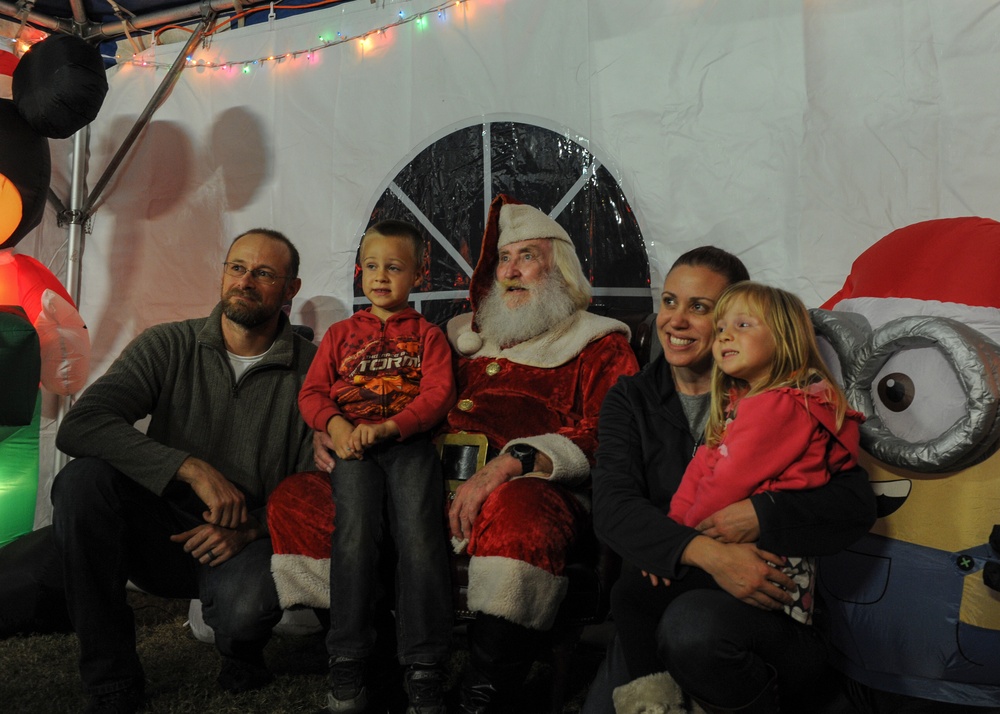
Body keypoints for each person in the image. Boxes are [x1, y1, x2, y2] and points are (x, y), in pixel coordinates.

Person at [584, 248, 877, 714]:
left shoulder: (774, 397)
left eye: (700, 308)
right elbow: (614, 510)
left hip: (767, 611)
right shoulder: (631, 398)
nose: (676, 320)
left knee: (691, 628)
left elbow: (856, 504)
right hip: (662, 589)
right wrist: (708, 553)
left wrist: (761, 515)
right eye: (670, 301)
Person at [51, 229, 316, 714]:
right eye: (237, 268)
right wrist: (189, 468)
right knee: (81, 482)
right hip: (163, 531)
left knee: (239, 614)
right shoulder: (169, 344)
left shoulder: (315, 371)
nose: (245, 282)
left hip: (248, 538)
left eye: (263, 273)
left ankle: (242, 652)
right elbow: (82, 425)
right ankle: (112, 683)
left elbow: (313, 485)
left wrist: (253, 528)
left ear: (291, 289)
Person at [298, 220, 456, 714]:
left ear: (418, 276)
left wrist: (393, 428)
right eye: (372, 266)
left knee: (421, 540)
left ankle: (425, 664)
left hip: (408, 445)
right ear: (358, 273)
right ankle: (347, 657)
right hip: (353, 449)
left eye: (395, 267)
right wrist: (337, 427)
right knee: (354, 536)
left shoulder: (429, 336)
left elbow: (438, 394)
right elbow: (313, 393)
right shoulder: (341, 335)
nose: (381, 276)